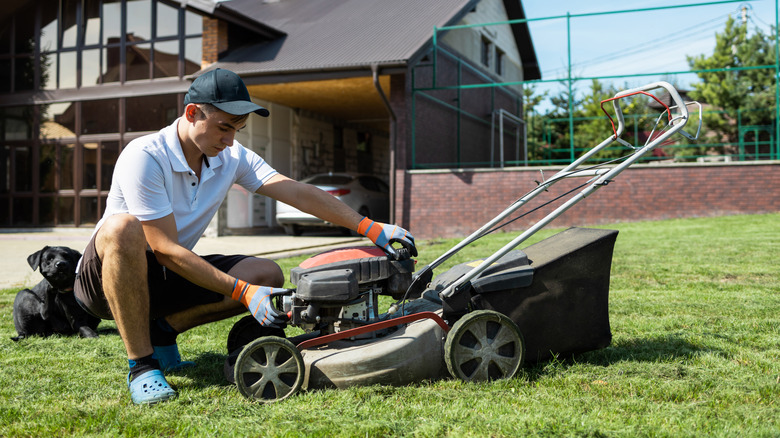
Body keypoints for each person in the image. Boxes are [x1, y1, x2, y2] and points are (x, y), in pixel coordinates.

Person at [73, 68, 416, 405]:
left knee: (266, 275)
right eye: (223, 127)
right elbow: (163, 248)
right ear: (192, 113)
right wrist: (241, 292)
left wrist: (369, 227)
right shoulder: (145, 155)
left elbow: (297, 193)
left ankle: (163, 331)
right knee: (123, 228)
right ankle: (142, 366)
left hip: (163, 278)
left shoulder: (230, 156)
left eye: (238, 129)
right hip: (105, 284)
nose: (230, 139)